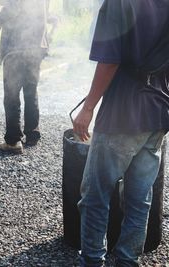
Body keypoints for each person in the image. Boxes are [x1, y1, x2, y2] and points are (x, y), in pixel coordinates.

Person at [73, 0, 169, 266]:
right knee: (140, 198)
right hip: (158, 111)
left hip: (122, 113)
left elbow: (110, 61)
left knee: (95, 195)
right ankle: (128, 261)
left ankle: (92, 260)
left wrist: (88, 107)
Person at [0, 0, 49, 154]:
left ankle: (13, 141)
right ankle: (32, 134)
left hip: (17, 46)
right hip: (36, 46)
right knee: (30, 90)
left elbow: (14, 7)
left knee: (11, 94)